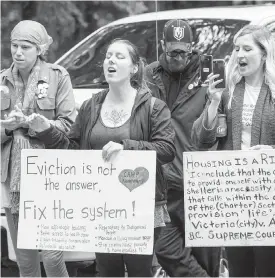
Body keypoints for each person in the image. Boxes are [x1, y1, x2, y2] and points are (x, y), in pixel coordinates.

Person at [27, 39, 176, 277]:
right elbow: (72, 149)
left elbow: (167, 149)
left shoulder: (153, 107)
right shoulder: (90, 106)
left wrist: (126, 146)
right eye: (108, 56)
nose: (111, 61)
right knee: (107, 270)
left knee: (139, 270)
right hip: (101, 207)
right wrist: (46, 130)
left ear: (135, 67)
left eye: (119, 56)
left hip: (139, 205)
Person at [191, 25, 275, 277]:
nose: (239, 55)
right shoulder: (227, 94)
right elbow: (201, 140)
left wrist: (271, 150)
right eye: (236, 49)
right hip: (234, 199)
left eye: (247, 49)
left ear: (264, 54)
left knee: (267, 269)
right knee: (238, 269)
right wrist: (212, 103)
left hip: (267, 199)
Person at [145, 19, 221, 277]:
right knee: (165, 249)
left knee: (205, 254)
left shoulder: (208, 76)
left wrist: (214, 101)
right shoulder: (148, 75)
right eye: (172, 51)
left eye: (183, 51)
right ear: (162, 45)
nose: (178, 57)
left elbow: (217, 131)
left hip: (199, 180)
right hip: (161, 179)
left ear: (192, 47)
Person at [0, 20, 76, 277]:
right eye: (14, 46)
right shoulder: (1, 80)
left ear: (40, 48)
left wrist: (39, 126)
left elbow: (69, 126)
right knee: (25, 260)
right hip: (13, 181)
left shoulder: (57, 76)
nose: (18, 52)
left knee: (52, 257)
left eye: (25, 47)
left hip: (49, 179)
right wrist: (8, 128)